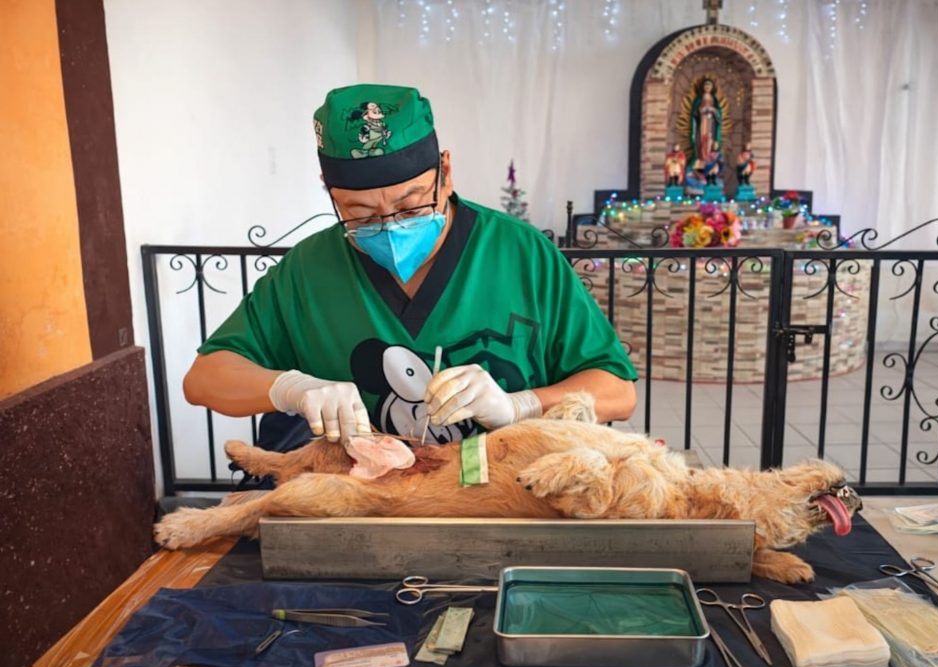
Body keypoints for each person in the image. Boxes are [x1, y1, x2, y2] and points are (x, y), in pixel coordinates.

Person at [183, 84, 637, 448]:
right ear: (329, 192)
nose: (390, 228)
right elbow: (205, 378)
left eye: (411, 205)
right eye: (361, 214)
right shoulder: (308, 271)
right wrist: (291, 388)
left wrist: (522, 405)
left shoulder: (521, 254)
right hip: (363, 507)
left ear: (446, 172)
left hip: (508, 498)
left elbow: (618, 391)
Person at [690, 78, 722, 166]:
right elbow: (694, 113)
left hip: (711, 122)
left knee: (709, 139)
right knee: (702, 139)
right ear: (703, 87)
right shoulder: (699, 99)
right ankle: (701, 158)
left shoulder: (714, 99)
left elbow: (719, 114)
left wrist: (713, 110)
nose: (707, 86)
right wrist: (700, 110)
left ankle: (709, 158)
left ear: (712, 87)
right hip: (702, 121)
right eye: (706, 85)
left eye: (709, 85)